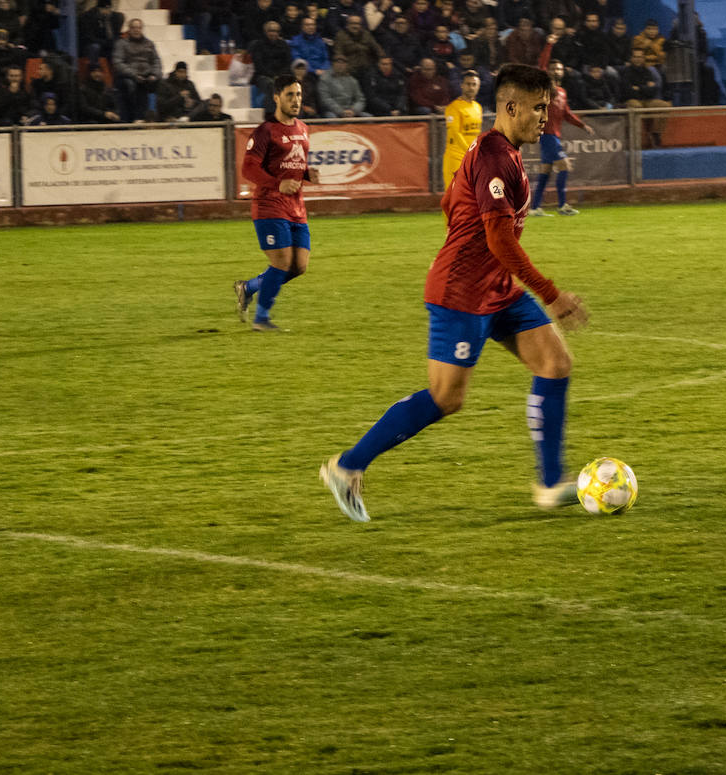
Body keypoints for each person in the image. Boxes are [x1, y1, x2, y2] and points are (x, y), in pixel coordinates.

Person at [319, 63, 588, 522]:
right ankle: (346, 466)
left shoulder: (504, 154)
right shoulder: (493, 156)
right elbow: (500, 241)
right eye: (538, 108)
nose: (545, 116)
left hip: (497, 290)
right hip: (462, 295)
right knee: (446, 398)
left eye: (547, 107)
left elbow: (450, 202)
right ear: (510, 107)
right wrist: (551, 293)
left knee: (555, 363)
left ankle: (548, 484)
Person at [233, 75, 317, 332]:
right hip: (269, 206)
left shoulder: (303, 129)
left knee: (298, 266)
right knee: (281, 262)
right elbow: (248, 168)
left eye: (299, 95)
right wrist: (277, 184)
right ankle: (262, 319)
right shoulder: (265, 132)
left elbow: (290, 165)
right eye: (290, 95)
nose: (296, 100)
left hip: (296, 208)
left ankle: (249, 287)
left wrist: (305, 174)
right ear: (276, 98)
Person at [529, 57, 587, 216]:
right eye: (553, 68)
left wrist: (582, 125)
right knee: (565, 166)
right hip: (547, 135)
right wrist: (550, 43)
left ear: (563, 72)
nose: (556, 71)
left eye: (559, 69)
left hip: (553, 135)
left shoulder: (562, 92)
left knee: (545, 172)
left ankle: (535, 208)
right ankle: (562, 206)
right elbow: (541, 66)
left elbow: (566, 114)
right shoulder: (545, 89)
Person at [443, 69, 484, 189]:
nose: (471, 87)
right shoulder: (453, 107)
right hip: (455, 158)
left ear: (478, 86)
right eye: (468, 84)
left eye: (474, 84)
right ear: (462, 85)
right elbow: (455, 133)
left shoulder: (478, 107)